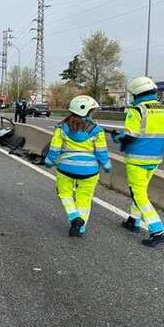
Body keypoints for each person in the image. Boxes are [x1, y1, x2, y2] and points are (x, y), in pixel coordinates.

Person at [112, 77, 164, 247]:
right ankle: (133, 221)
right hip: (155, 160)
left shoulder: (137, 111)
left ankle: (158, 231)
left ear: (136, 93)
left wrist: (116, 138)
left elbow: (130, 135)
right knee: (141, 190)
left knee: (139, 194)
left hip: (137, 160)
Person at [45, 95, 112, 237]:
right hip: (90, 171)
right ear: (88, 111)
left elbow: (54, 150)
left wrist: (49, 162)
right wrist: (107, 166)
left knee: (65, 194)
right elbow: (102, 153)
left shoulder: (61, 128)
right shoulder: (97, 130)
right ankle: (80, 229)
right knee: (84, 199)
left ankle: (74, 217)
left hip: (66, 169)